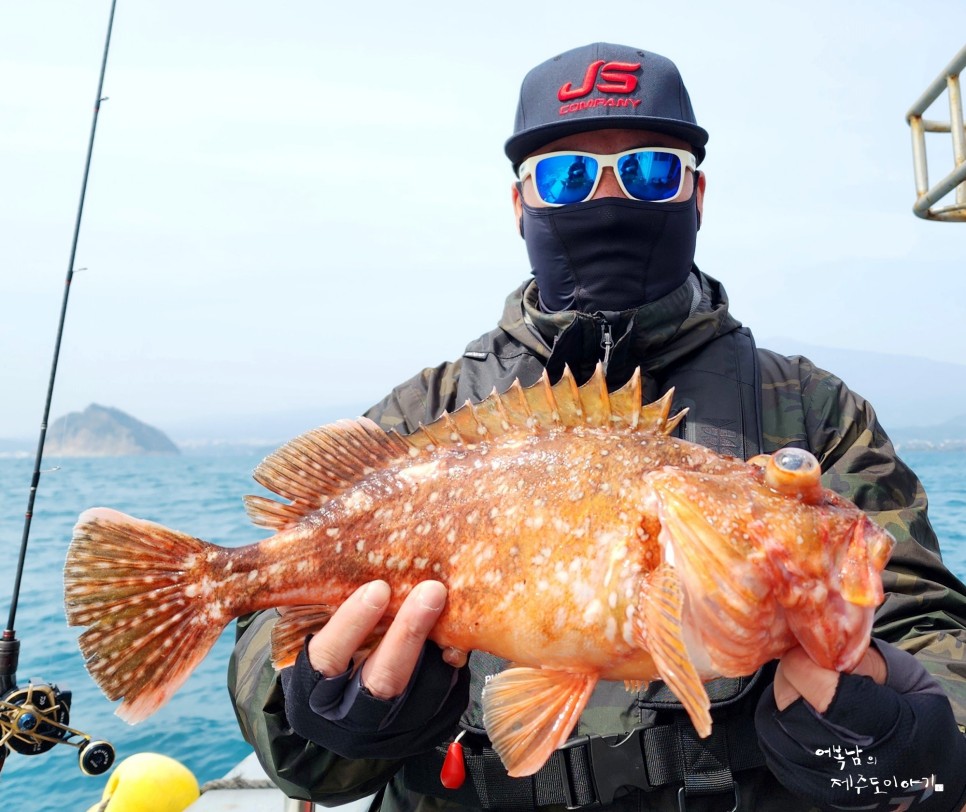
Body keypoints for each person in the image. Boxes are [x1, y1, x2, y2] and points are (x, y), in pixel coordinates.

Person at [229, 43, 966, 811]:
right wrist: (310, 708)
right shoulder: (428, 412)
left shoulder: (816, 413)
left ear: (698, 193)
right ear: (520, 205)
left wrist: (908, 742)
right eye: (566, 175)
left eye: (651, 171)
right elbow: (291, 737)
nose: (607, 199)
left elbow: (932, 637)